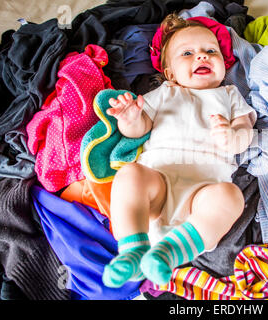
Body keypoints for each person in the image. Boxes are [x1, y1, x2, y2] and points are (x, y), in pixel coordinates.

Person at [102, 14, 257, 287]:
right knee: (130, 174)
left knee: (231, 197)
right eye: (188, 53)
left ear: (223, 63)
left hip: (204, 192)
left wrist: (232, 136)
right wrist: (130, 119)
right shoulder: (164, 93)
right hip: (158, 184)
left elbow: (245, 132)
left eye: (211, 51)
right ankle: (133, 249)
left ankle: (168, 253)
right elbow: (139, 129)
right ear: (170, 73)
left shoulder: (230, 95)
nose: (201, 57)